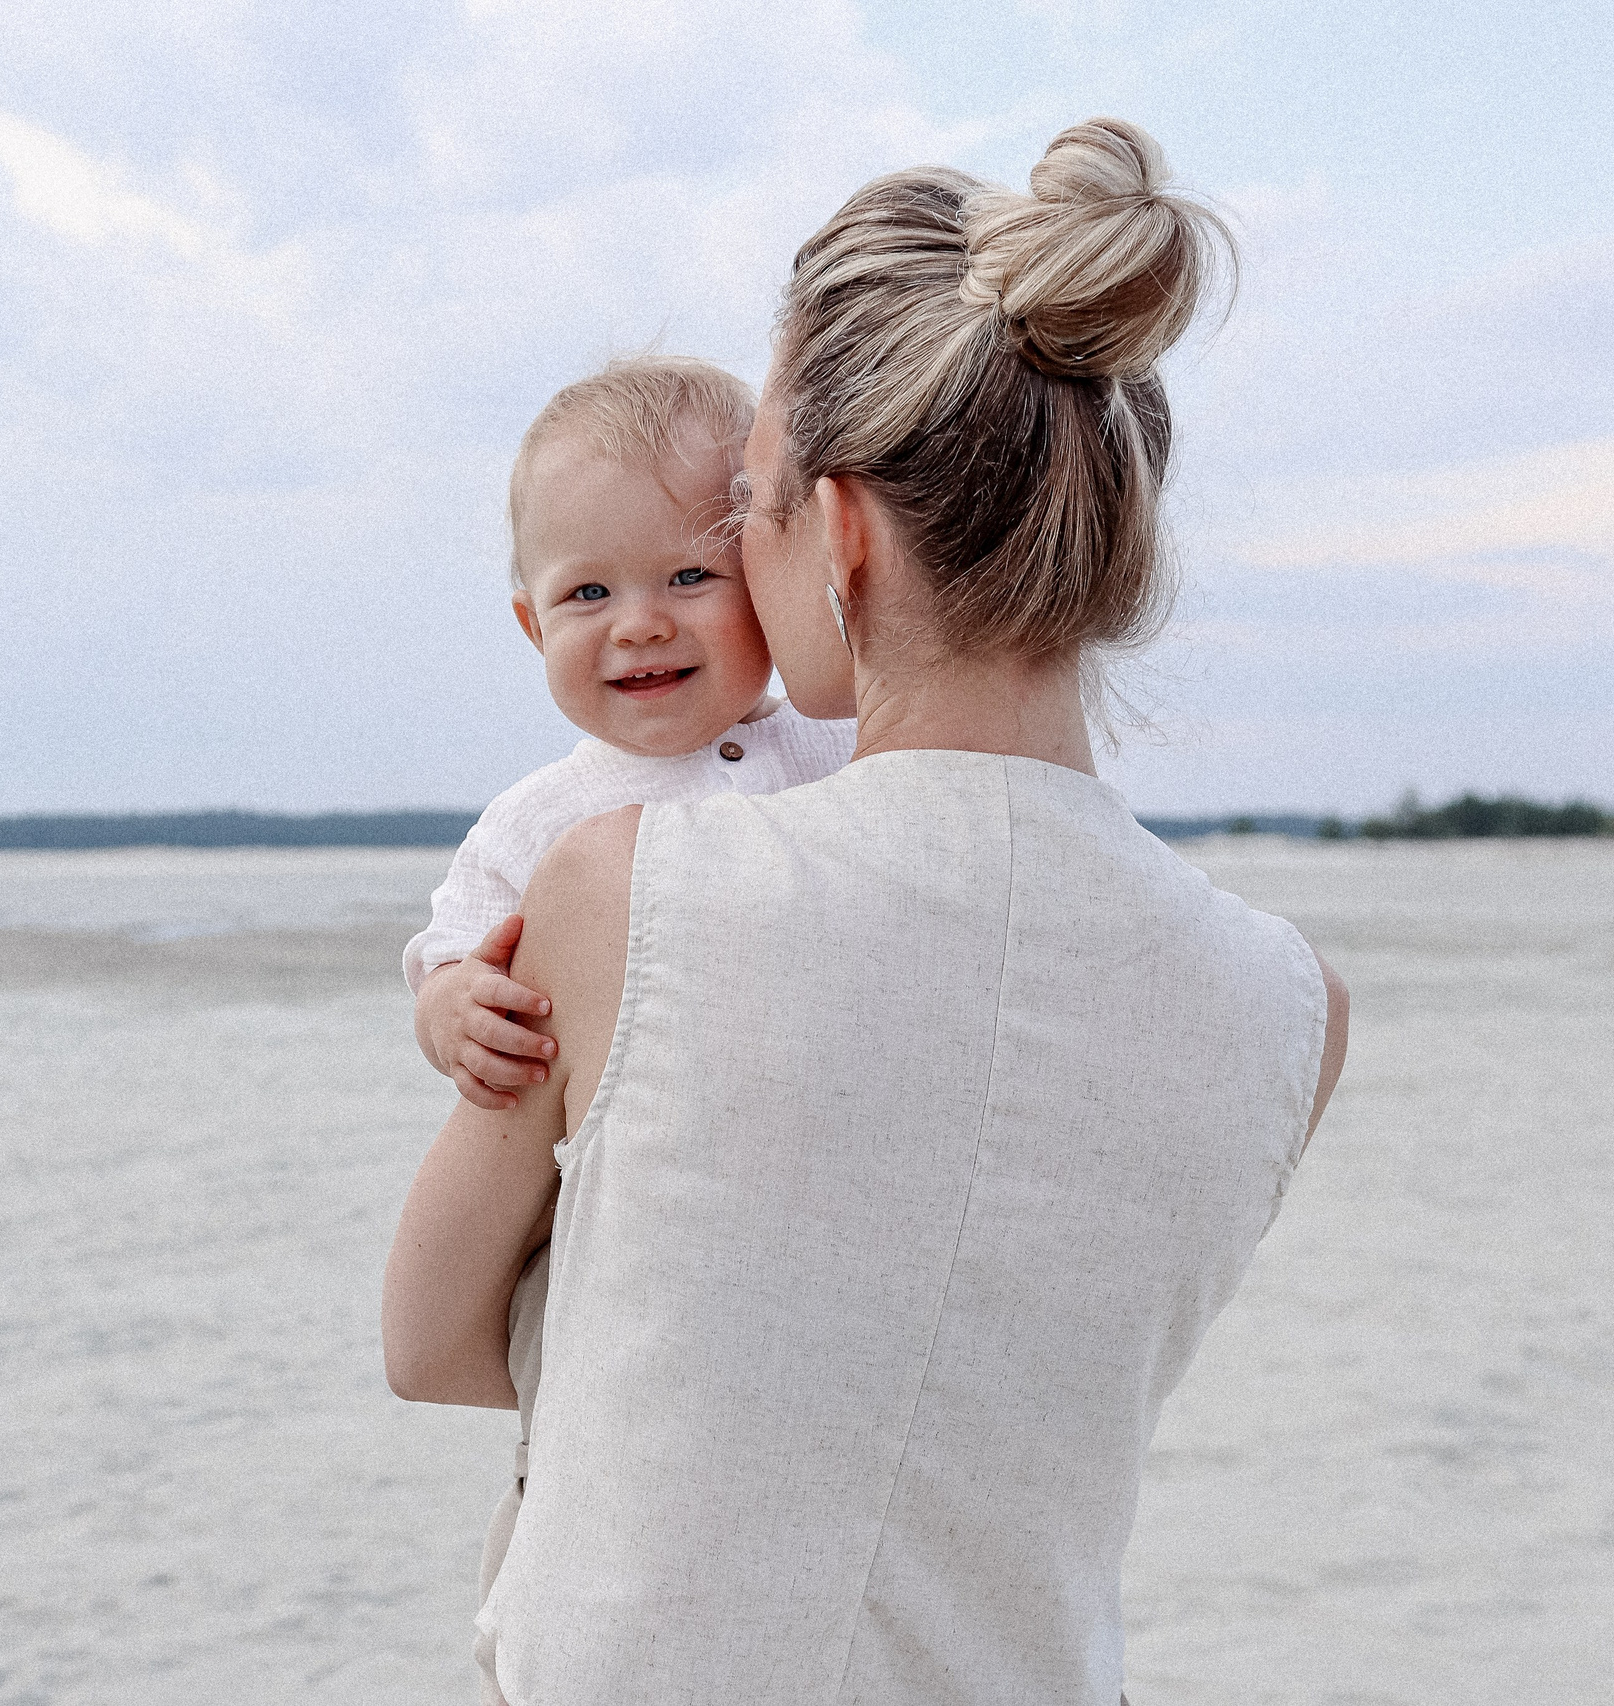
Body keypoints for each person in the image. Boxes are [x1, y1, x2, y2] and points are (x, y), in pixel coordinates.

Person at [382, 117, 1351, 1706]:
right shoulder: (1289, 1002)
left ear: (835, 530)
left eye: (745, 510)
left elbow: (429, 1343)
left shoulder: (624, 881)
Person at [402, 356, 856, 1612]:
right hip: (608, 1215)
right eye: (587, 590)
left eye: (689, 577)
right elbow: (446, 952)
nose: (639, 621)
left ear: (773, 579)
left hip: (788, 1197)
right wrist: (453, 1013)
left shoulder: (832, 744)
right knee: (574, 1489)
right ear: (531, 622)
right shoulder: (539, 818)